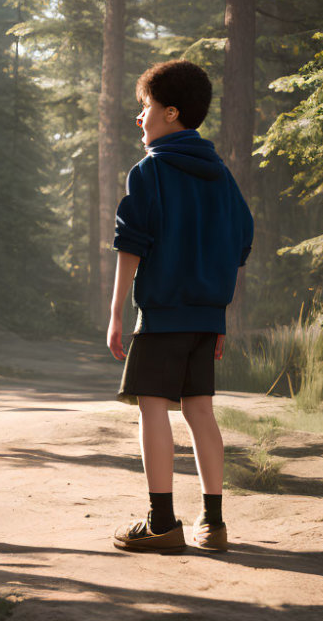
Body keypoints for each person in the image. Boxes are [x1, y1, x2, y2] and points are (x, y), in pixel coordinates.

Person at [107, 60, 254, 553]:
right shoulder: (222, 178)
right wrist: (218, 315)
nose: (139, 117)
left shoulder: (149, 171)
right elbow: (239, 244)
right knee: (201, 413)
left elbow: (131, 246)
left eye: (144, 107)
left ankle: (161, 523)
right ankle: (212, 523)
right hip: (206, 319)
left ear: (171, 113)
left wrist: (116, 316)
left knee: (153, 410)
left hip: (163, 314)